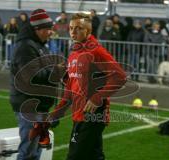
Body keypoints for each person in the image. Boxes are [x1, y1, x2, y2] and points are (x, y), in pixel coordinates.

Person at [51, 13, 126, 160]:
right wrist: (58, 111)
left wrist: (97, 98)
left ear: (88, 31)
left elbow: (120, 77)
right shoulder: (74, 53)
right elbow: (71, 88)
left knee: (74, 156)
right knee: (94, 156)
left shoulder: (96, 51)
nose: (73, 32)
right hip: (79, 113)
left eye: (78, 28)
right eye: (71, 28)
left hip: (93, 115)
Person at [9, 9, 57, 160]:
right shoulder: (26, 47)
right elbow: (30, 75)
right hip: (29, 104)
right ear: (37, 29)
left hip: (38, 104)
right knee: (28, 151)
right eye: (48, 29)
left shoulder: (38, 45)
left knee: (35, 150)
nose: (50, 32)